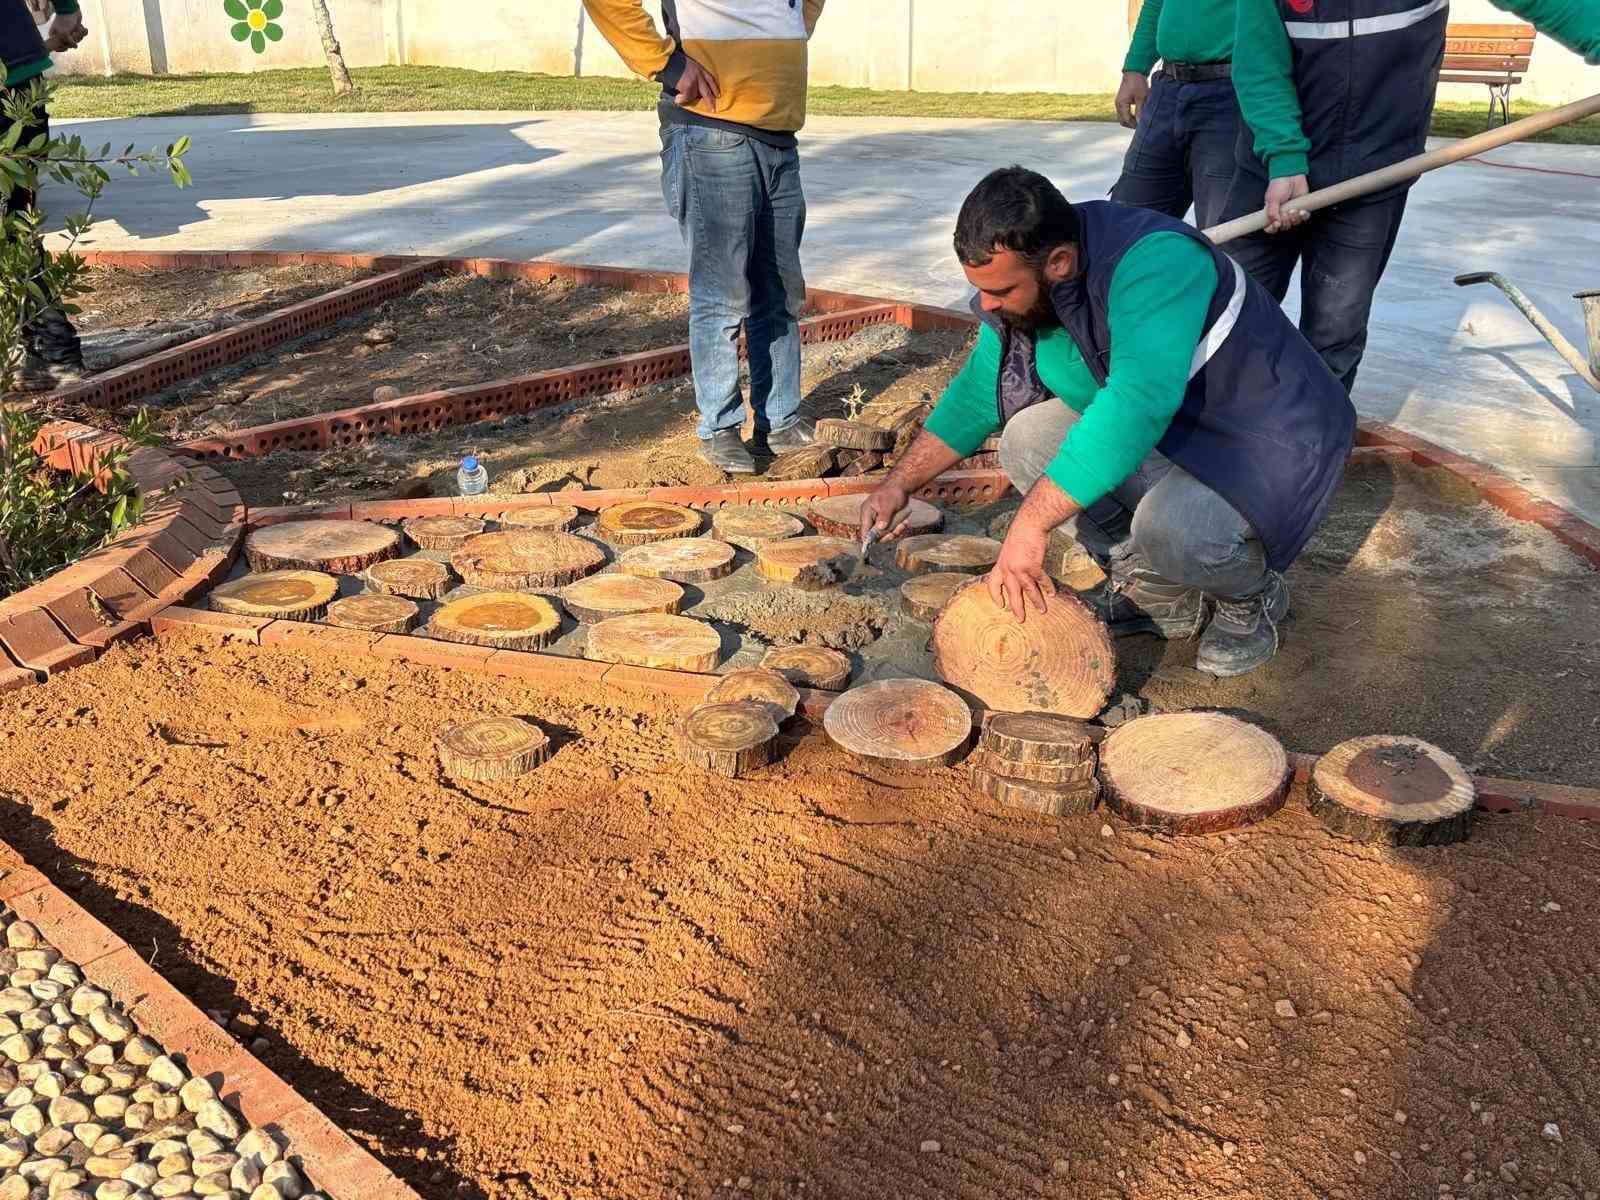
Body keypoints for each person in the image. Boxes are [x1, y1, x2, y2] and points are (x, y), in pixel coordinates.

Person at [860, 167, 1355, 677]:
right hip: (1178, 425)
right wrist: (899, 484)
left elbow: (1136, 404)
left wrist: (1031, 524)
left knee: (1176, 529)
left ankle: (1250, 595)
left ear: (1059, 262)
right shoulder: (1035, 293)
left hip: (1268, 434)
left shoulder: (1156, 263)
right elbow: (977, 395)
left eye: (1002, 290)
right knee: (1028, 439)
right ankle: (1160, 590)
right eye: (981, 290)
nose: (987, 305)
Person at [1221, 0, 1600, 395]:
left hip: (1376, 173)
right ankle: (1203, 440)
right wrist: (1284, 158)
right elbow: (1258, 60)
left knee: (1335, 334)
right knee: (1228, 313)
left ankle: (1308, 449)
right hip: (1268, 173)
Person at [581, 0, 825, 475]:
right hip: (712, 134)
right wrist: (668, 63)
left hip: (779, 134)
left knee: (780, 292)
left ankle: (780, 418)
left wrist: (785, 35)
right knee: (723, 294)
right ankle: (720, 427)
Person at [2, 0, 90, 390]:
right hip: (20, 69)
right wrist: (66, 8)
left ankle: (53, 350)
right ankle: (44, 349)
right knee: (14, 222)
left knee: (11, 223)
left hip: (14, 70)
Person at [1110, 0, 1244, 229]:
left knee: (1223, 233)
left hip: (1231, 93)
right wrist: (1135, 68)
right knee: (1124, 224)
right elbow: (1156, 3)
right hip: (1167, 89)